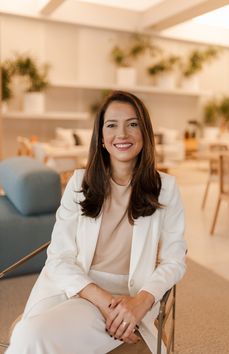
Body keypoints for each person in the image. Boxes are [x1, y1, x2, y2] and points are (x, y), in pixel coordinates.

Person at [6, 90, 187, 354]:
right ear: (101, 138)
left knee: (31, 337)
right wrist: (106, 303)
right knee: (29, 335)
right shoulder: (79, 183)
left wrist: (140, 303)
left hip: (129, 296)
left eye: (132, 124)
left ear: (145, 133)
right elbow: (58, 257)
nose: (122, 134)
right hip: (79, 290)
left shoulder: (166, 188)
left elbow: (174, 260)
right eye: (111, 125)